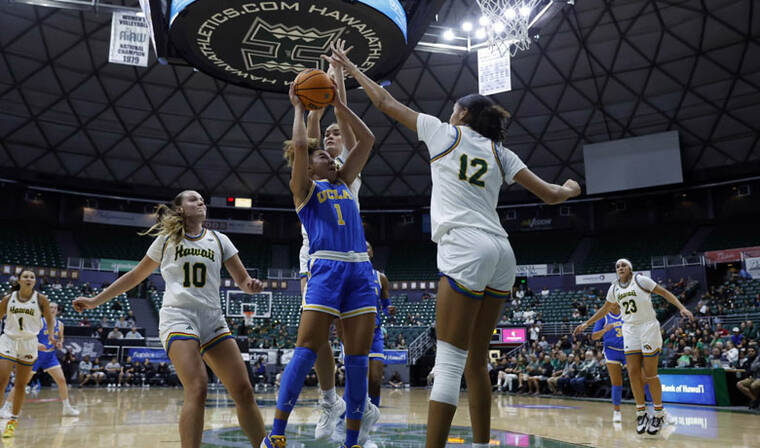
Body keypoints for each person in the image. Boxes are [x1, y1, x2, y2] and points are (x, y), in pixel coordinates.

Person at [325, 44, 581, 448]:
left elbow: (383, 100)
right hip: (502, 253)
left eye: (455, 106)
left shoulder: (445, 133)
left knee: (448, 364)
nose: (450, 109)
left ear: (462, 114)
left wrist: (350, 67)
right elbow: (550, 194)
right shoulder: (501, 152)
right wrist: (571, 187)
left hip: (465, 247)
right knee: (477, 362)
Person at [73, 190, 266, 448]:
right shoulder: (166, 241)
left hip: (212, 319)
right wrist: (96, 300)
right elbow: (134, 277)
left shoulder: (220, 240)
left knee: (244, 391)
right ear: (179, 209)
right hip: (178, 316)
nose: (201, 202)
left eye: (202, 199)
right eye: (193, 199)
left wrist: (250, 285)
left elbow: (241, 280)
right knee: (197, 387)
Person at [260, 54, 377, 448]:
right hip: (325, 269)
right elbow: (299, 144)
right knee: (307, 348)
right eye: (320, 154)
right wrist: (299, 108)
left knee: (358, 361)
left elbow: (368, 141)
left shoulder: (345, 181)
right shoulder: (305, 192)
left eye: (328, 153)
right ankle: (276, 434)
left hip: (361, 270)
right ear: (308, 168)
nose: (327, 154)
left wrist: (339, 103)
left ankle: (353, 441)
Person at [300, 43, 369, 443]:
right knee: (316, 335)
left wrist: (337, 74)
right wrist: (313, 106)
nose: (329, 136)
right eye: (325, 134)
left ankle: (357, 404)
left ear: (344, 144)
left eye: (336, 134)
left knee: (347, 336)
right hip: (313, 252)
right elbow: (312, 128)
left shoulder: (347, 175)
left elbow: (339, 104)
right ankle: (329, 400)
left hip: (347, 254)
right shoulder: (313, 169)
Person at [575, 258, 694, 436]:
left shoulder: (641, 280)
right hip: (629, 329)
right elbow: (605, 308)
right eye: (617, 266)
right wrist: (586, 324)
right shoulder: (614, 288)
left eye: (623, 265)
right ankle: (641, 413)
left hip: (648, 327)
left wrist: (682, 308)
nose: (620, 268)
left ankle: (659, 412)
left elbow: (664, 293)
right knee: (632, 372)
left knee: (650, 374)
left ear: (630, 268)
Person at [0, 270, 57, 438]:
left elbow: (50, 318)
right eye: (25, 276)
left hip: (29, 342)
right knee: (2, 380)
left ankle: (12, 422)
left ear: (34, 281)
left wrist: (51, 334)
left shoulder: (41, 299)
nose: (29, 279)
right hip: (8, 340)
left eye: (32, 277)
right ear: (19, 280)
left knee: (20, 384)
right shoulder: (8, 299)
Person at [1, 301, 79, 417]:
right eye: (50, 307)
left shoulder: (60, 324)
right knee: (22, 383)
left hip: (50, 356)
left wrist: (60, 343)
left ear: (57, 310)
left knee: (61, 380)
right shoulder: (39, 322)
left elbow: (61, 338)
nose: (52, 309)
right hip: (35, 355)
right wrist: (37, 345)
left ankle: (67, 407)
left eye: (54, 308)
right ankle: (5, 408)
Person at [590, 302, 625, 422]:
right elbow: (594, 336)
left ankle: (650, 408)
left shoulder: (627, 313)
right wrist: (605, 330)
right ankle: (617, 411)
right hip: (611, 351)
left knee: (641, 378)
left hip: (628, 349)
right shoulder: (603, 317)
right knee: (616, 382)